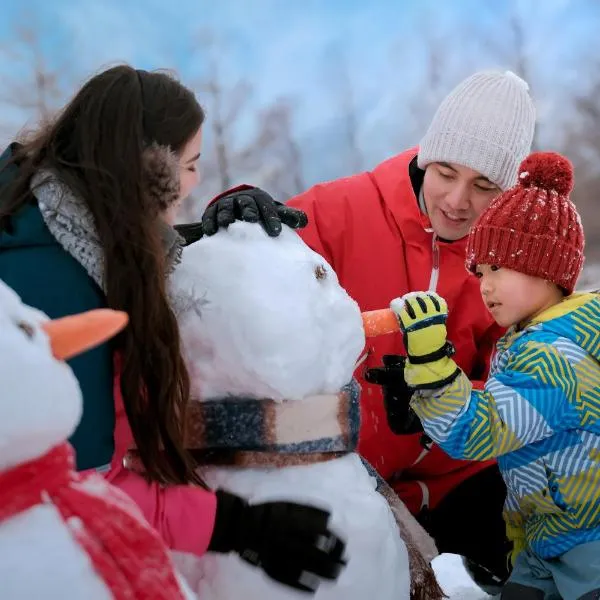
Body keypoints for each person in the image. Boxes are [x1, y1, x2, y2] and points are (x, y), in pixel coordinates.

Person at [0, 64, 345, 594]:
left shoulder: (50, 228)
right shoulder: (57, 294)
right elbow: (79, 489)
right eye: (189, 165)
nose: (196, 180)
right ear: (145, 174)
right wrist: (236, 526)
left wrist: (227, 219)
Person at [200, 69, 536, 590]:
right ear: (426, 157)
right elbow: (260, 258)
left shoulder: (508, 259)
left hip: (459, 480)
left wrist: (443, 392)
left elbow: (516, 383)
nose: (456, 200)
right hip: (354, 473)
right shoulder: (345, 209)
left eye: (485, 186)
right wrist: (235, 207)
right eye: (446, 172)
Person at [391, 150, 600, 600]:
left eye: (498, 269)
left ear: (546, 269)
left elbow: (478, 432)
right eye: (481, 271)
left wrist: (433, 372)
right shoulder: (533, 339)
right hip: (546, 543)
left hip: (588, 553)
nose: (484, 285)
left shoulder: (556, 356)